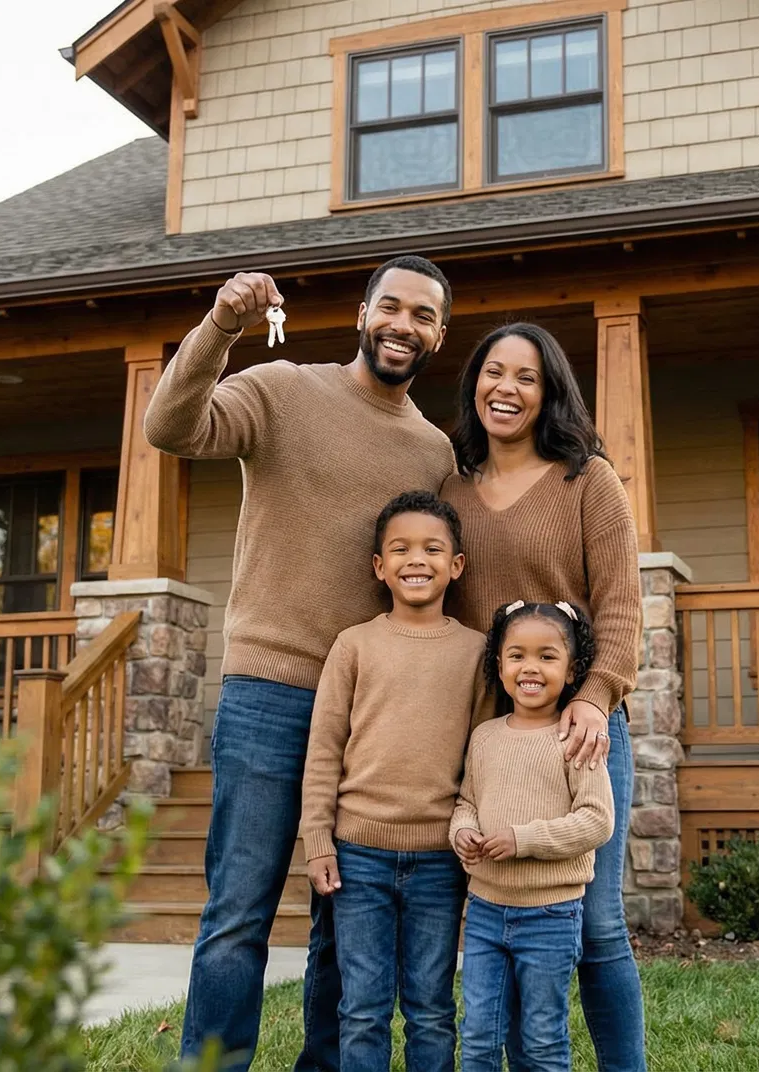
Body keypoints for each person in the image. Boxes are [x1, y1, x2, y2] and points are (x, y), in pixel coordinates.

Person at [143, 257, 458, 1072]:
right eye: (391, 307)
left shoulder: (433, 454)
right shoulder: (283, 389)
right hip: (267, 693)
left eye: (423, 316)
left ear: (438, 335)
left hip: (370, 713)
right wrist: (220, 325)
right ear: (363, 312)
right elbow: (171, 429)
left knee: (339, 920)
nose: (403, 325)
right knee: (240, 911)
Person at [440, 322, 647, 1071]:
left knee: (594, 926)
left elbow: (622, 608)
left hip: (579, 736)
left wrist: (594, 698)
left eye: (526, 377)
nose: (507, 388)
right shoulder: (451, 490)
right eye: (493, 373)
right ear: (474, 387)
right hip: (492, 743)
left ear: (549, 390)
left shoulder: (588, 479)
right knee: (495, 925)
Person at [298, 490, 489, 1072]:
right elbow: (325, 748)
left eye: (433, 549)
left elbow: (484, 755)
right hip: (358, 857)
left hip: (440, 858)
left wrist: (472, 827)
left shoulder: (478, 651)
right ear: (379, 566)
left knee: (431, 1007)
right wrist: (318, 841)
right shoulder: (353, 645)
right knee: (362, 1007)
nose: (417, 559)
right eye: (400, 548)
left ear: (456, 566)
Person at [452, 600, 615, 1072]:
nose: (531, 667)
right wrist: (463, 831)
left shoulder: (575, 738)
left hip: (550, 915)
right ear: (499, 665)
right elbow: (466, 802)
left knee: (542, 1040)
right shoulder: (484, 737)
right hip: (484, 912)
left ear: (572, 670)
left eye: (547, 656)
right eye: (517, 655)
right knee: (479, 1035)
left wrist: (524, 839)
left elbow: (596, 820)